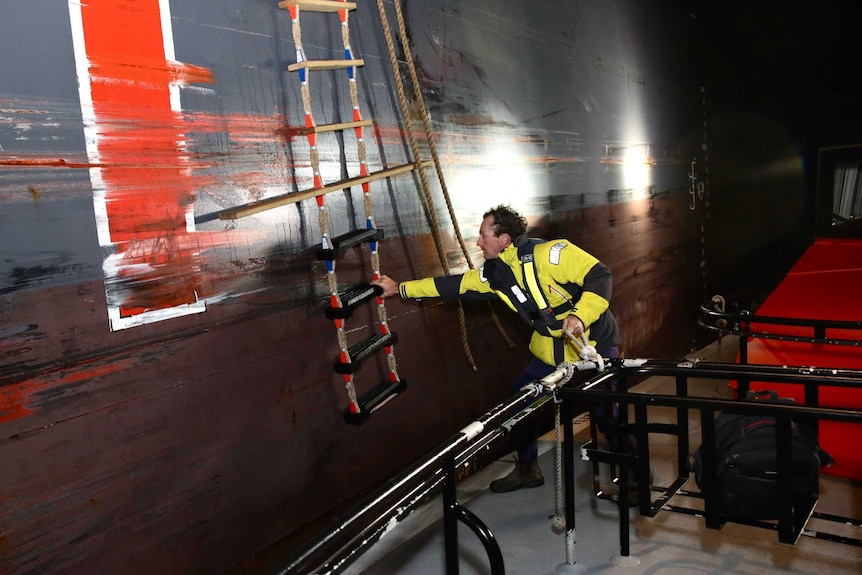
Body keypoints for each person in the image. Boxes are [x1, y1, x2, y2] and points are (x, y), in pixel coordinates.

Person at [372, 204, 622, 493]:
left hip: (593, 343)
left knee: (608, 414)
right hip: (550, 349)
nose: (478, 243)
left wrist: (579, 314)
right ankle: (528, 469)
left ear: (503, 240)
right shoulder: (495, 275)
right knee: (519, 407)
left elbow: (600, 276)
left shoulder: (552, 254)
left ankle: (632, 467)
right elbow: (452, 286)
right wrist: (400, 288)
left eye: (483, 236)